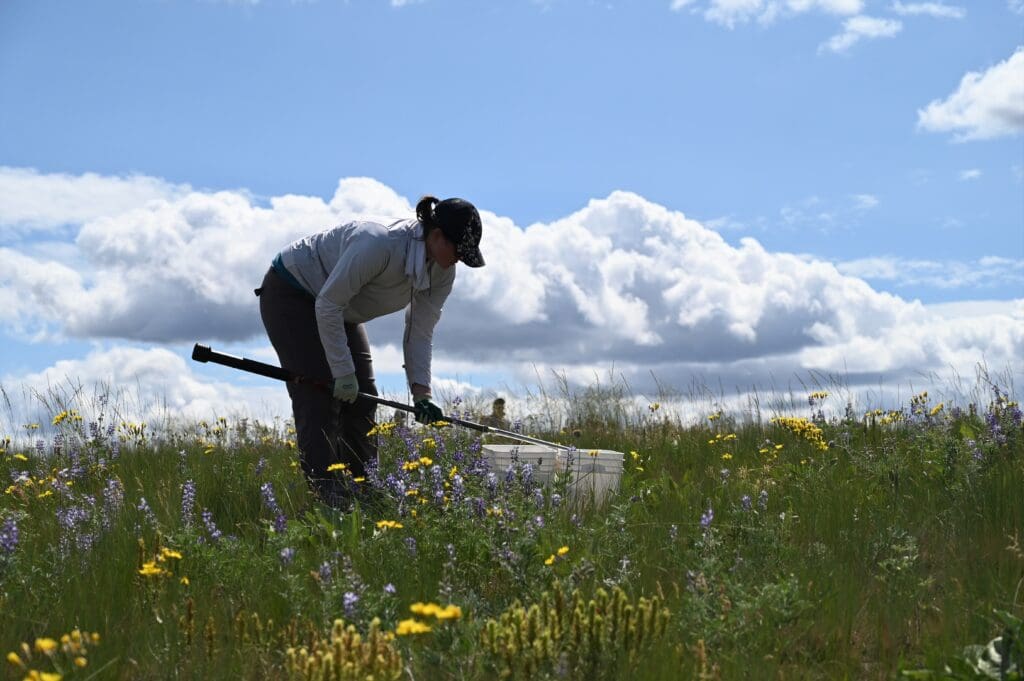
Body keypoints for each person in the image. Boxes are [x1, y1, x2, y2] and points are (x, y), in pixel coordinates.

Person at [256, 196, 485, 507]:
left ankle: (365, 490)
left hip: (341, 310)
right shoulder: (378, 243)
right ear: (436, 235)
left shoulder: (443, 271)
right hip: (293, 293)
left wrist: (422, 394)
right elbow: (327, 304)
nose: (459, 258)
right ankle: (327, 498)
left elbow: (420, 331)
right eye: (458, 249)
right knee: (320, 391)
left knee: (364, 397)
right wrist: (341, 371)